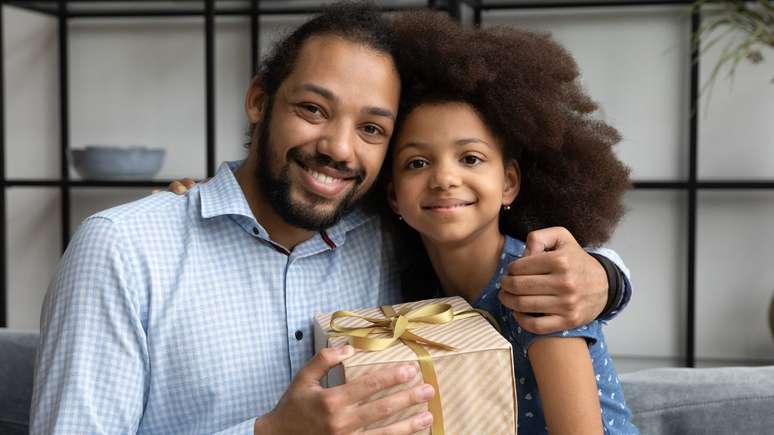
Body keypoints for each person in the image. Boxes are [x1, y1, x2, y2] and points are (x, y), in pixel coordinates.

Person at [30, 3, 633, 434]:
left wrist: (605, 277)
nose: (341, 149)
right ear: (260, 100)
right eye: (314, 109)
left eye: (372, 128)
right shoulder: (126, 250)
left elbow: (493, 244)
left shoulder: (389, 231)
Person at [382, 12, 637, 434]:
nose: (444, 178)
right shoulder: (418, 294)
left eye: (470, 158)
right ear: (394, 195)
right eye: (418, 162)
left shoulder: (539, 285)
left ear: (509, 183)